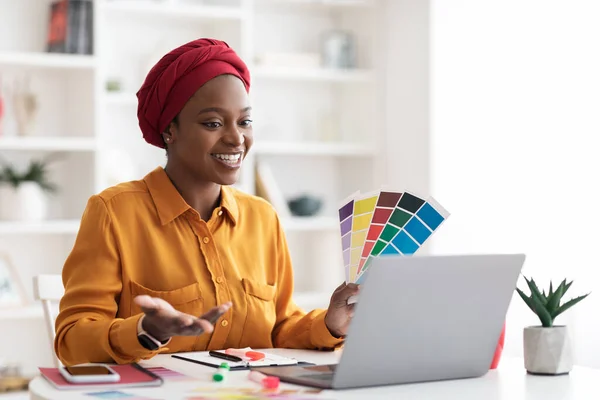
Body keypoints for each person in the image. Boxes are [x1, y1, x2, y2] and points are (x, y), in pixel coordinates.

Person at [54, 38, 359, 366]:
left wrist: (331, 323)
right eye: (213, 123)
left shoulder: (262, 217)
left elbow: (280, 326)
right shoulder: (113, 213)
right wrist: (145, 330)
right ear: (170, 130)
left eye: (244, 121)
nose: (236, 138)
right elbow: (72, 340)